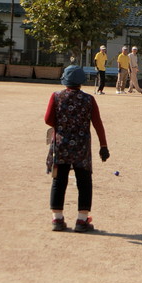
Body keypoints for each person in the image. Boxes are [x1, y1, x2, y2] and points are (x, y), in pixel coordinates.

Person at [45, 65, 109, 232]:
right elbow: (97, 124)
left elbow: (48, 120)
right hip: (82, 146)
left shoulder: (56, 96)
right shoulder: (88, 99)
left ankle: (57, 219)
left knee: (59, 181)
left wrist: (62, 124)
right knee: (84, 181)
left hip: (61, 145)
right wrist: (103, 146)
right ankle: (82, 220)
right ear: (82, 82)